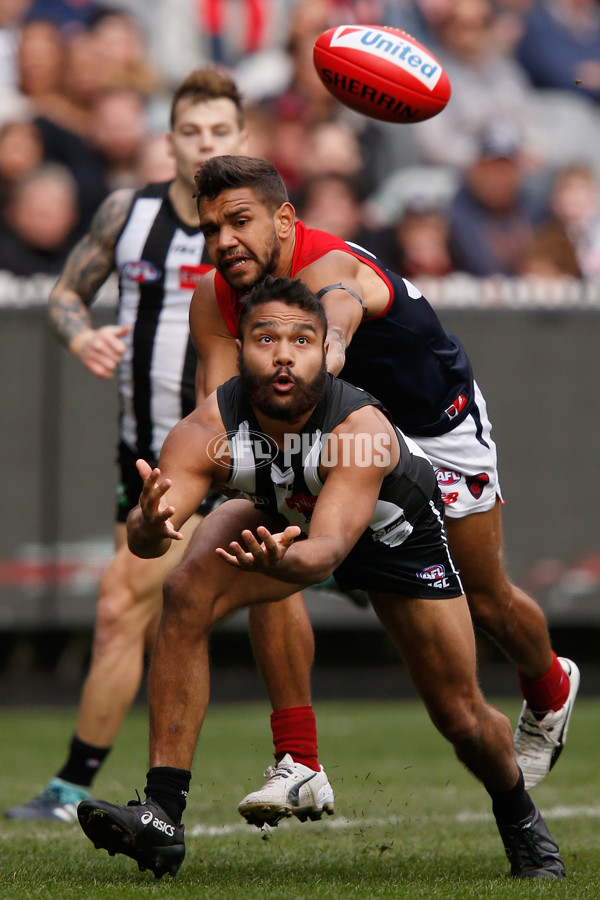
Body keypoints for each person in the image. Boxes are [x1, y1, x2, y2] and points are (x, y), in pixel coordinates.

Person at [76, 276, 565, 881]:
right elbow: (150, 540)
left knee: (461, 717)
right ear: (240, 351)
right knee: (184, 589)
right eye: (266, 339)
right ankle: (162, 814)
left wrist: (279, 565)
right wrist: (148, 523)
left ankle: (521, 818)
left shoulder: (359, 430)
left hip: (390, 539)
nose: (284, 355)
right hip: (287, 519)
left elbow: (330, 552)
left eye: (302, 340)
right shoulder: (208, 428)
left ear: (326, 352)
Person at [184, 155, 578, 825]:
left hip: (434, 425)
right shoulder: (219, 293)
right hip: (343, 434)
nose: (225, 241)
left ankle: (550, 685)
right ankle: (299, 760)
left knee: (485, 600)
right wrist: (200, 476)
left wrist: (330, 347)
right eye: (212, 228)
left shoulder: (327, 263)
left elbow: (339, 303)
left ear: (285, 220)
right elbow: (217, 408)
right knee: (261, 536)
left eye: (240, 221)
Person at [4, 66, 251, 822]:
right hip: (137, 454)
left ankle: (76, 785)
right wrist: (81, 337)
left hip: (210, 460)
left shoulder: (253, 225)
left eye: (220, 131)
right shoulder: (128, 213)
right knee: (142, 618)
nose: (205, 143)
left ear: (242, 138)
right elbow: (66, 294)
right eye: (191, 131)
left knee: (119, 607)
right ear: (166, 140)